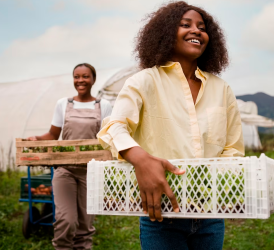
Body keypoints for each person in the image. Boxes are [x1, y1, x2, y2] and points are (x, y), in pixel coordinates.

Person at [97, 2, 244, 250]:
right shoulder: (144, 81)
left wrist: (226, 191)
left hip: (210, 216)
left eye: (202, 27)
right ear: (165, 34)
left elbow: (232, 148)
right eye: (185, 25)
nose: (196, 30)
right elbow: (115, 128)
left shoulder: (222, 89)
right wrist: (140, 158)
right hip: (161, 213)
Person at [28, 63, 112, 250]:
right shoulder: (64, 104)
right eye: (76, 76)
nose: (80, 80)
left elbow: (109, 137)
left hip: (91, 172)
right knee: (66, 220)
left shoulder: (104, 106)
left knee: (85, 225)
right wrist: (37, 139)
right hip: (65, 169)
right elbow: (52, 135)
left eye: (85, 76)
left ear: (93, 79)